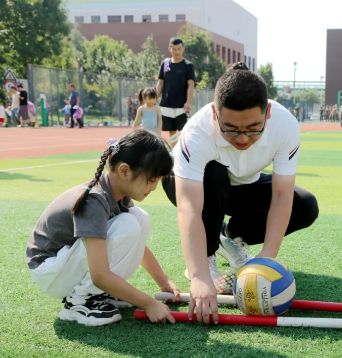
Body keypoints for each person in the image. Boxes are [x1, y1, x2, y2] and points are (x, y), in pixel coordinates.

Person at [160, 65, 319, 324]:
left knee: (306, 205)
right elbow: (188, 206)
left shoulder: (285, 124)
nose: (243, 138)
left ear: (267, 113)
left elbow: (281, 195)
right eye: (231, 129)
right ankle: (208, 254)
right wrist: (199, 275)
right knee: (213, 175)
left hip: (242, 186)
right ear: (214, 113)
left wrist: (266, 260)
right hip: (192, 184)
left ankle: (230, 236)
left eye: (254, 128)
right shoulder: (197, 131)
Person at [26, 130, 181, 326]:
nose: (154, 187)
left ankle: (100, 294)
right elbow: (99, 274)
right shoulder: (94, 200)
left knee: (139, 218)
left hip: (65, 263)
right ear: (125, 171)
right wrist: (148, 303)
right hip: (50, 271)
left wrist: (164, 282)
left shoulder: (119, 196)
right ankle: (79, 301)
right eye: (152, 180)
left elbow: (138, 248)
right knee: (130, 223)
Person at [156, 37, 195, 138]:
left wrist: (188, 102)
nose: (176, 51)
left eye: (179, 49)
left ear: (183, 49)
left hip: (182, 106)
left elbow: (191, 85)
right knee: (172, 134)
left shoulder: (188, 65)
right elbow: (160, 83)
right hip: (166, 105)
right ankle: (174, 154)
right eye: (174, 49)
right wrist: (155, 99)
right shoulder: (165, 64)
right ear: (169, 49)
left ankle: (182, 153)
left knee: (184, 133)